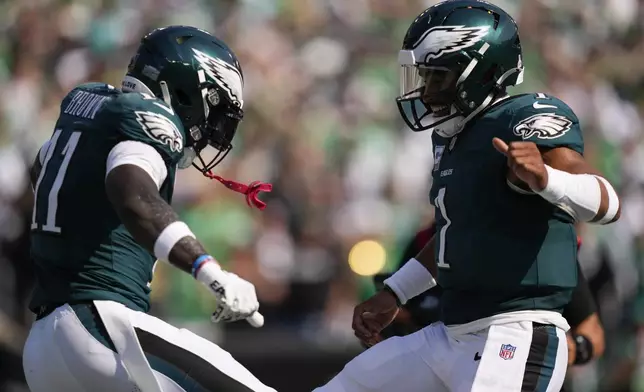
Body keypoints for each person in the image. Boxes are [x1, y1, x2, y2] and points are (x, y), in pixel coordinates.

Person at [315, 1, 621, 391]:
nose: (425, 92)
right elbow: (453, 234)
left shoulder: (523, 117)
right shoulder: (451, 138)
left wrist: (546, 179)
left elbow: (606, 202)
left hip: (514, 333)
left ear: (482, 72)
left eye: (436, 78)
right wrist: (395, 292)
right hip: (451, 334)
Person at [22, 25, 276, 392]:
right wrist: (210, 271)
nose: (213, 131)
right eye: (215, 110)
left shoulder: (90, 113)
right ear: (188, 90)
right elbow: (131, 191)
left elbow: (42, 171)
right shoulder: (148, 119)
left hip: (43, 348)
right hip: (99, 327)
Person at [373, 225, 605, 370]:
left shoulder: (546, 250)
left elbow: (592, 332)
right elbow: (399, 318)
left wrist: (573, 348)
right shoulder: (423, 243)